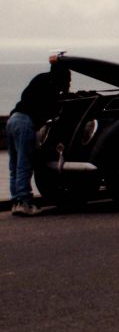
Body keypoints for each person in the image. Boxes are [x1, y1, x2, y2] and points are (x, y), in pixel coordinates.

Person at [6, 61, 71, 216]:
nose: (69, 82)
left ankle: (16, 201)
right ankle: (25, 202)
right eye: (68, 79)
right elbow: (54, 111)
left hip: (13, 119)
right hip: (25, 123)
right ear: (62, 76)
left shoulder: (40, 79)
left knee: (14, 165)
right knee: (25, 163)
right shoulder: (52, 87)